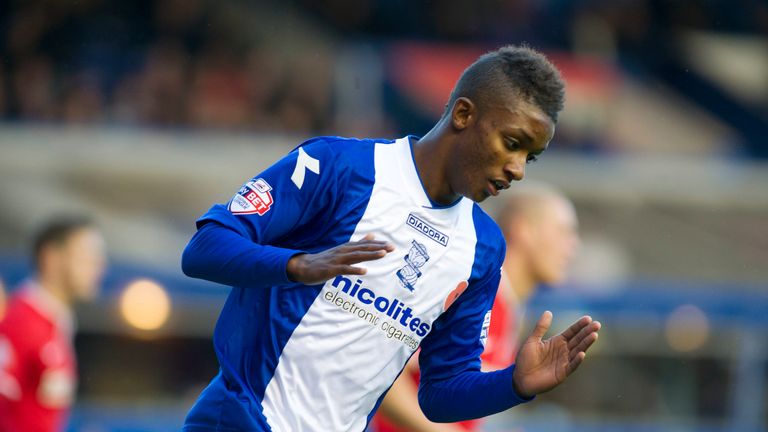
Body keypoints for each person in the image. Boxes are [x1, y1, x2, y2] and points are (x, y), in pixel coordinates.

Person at [180, 45, 601, 432]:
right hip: (240, 421)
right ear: (463, 115)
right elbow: (203, 248)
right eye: (511, 143)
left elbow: (439, 394)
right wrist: (297, 265)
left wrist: (513, 384)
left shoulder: (483, 249)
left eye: (531, 156)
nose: (518, 169)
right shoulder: (340, 168)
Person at [373, 184, 580, 432]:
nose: (573, 246)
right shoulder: (473, 295)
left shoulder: (511, 309)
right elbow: (382, 373)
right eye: (563, 232)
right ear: (523, 229)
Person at [0, 217, 107, 432]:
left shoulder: (54, 322)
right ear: (52, 257)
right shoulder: (21, 323)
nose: (99, 267)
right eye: (87, 257)